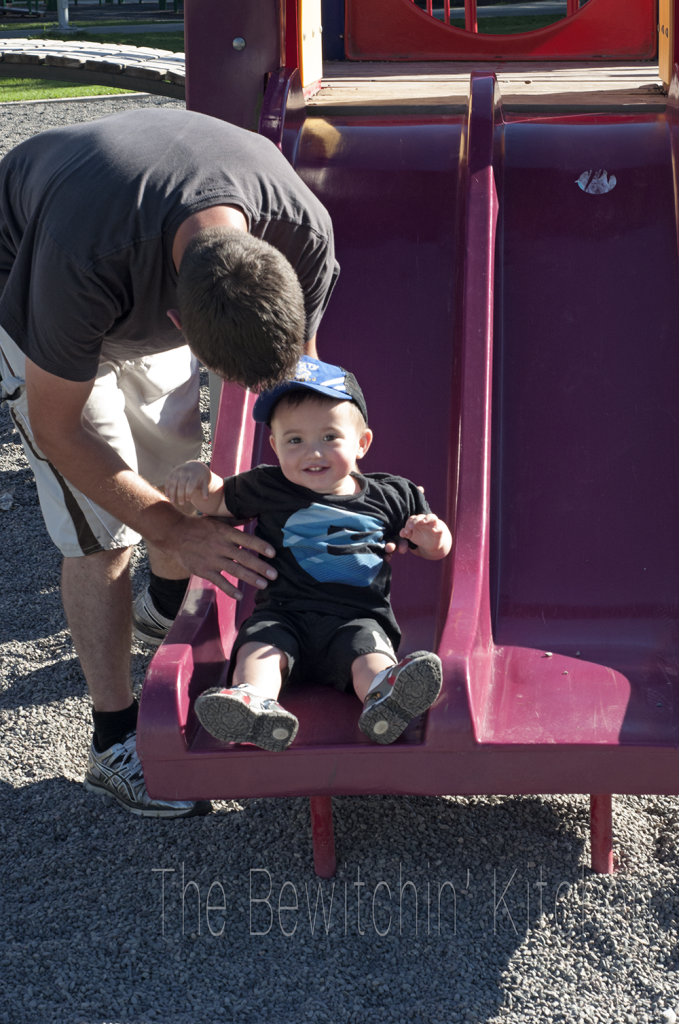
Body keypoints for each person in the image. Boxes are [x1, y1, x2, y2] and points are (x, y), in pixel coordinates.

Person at [0, 108, 339, 815]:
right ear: (178, 324)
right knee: (101, 527)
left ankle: (159, 608)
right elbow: (59, 430)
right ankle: (112, 740)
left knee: (178, 467)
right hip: (33, 282)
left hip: (135, 234)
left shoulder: (301, 232)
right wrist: (171, 530)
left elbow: (299, 387)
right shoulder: (79, 261)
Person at [164, 359, 452, 750]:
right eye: (295, 440)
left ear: (362, 443)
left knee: (369, 654)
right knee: (258, 648)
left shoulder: (392, 494)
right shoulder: (268, 484)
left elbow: (435, 550)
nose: (311, 453)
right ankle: (254, 703)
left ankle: (385, 698)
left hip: (356, 617)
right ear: (275, 446)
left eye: (330, 437)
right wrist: (201, 477)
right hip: (283, 613)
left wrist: (434, 536)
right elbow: (216, 500)